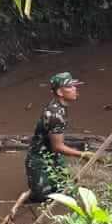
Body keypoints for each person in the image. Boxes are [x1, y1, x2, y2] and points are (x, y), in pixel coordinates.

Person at [25, 72, 85, 202]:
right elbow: (57, 147)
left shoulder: (60, 107)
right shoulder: (55, 114)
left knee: (67, 192)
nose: (75, 89)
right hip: (40, 160)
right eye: (70, 87)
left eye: (74, 86)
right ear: (60, 92)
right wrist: (83, 155)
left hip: (53, 156)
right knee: (42, 200)